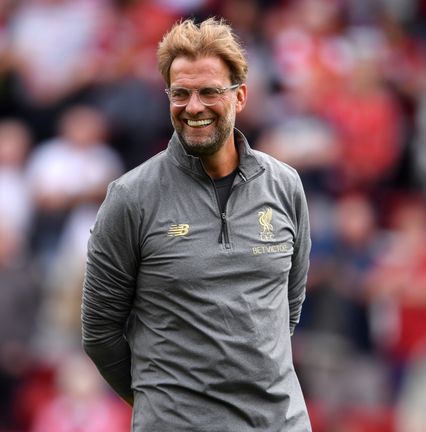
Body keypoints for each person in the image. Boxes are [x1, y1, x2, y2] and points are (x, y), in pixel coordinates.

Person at [81, 17, 313, 431]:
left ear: (240, 97)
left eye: (209, 92)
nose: (193, 107)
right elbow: (100, 333)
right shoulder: (131, 197)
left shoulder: (285, 186)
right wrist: (162, 401)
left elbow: (286, 311)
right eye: (180, 93)